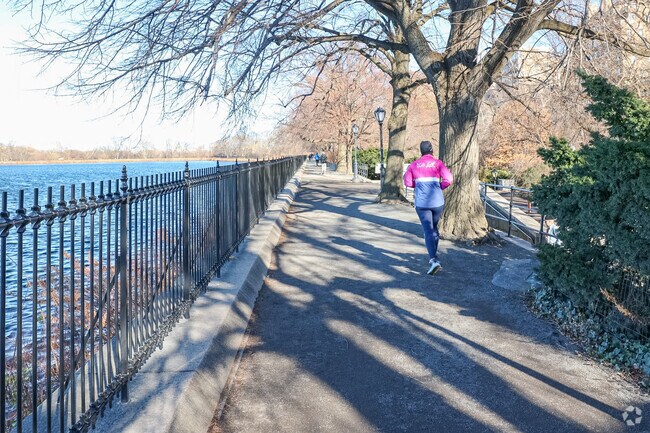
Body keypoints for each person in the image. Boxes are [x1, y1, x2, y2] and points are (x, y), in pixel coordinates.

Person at [403, 141, 453, 275]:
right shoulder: (438, 163)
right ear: (431, 150)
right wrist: (439, 187)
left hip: (422, 203)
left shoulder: (414, 165)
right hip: (437, 202)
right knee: (434, 229)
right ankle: (434, 256)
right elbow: (449, 179)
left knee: (428, 231)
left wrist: (418, 185)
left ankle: (433, 260)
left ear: (421, 151)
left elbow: (407, 182)